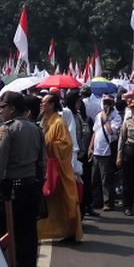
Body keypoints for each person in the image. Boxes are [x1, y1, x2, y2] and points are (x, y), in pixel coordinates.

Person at [0, 91, 45, 267]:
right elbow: (41, 163)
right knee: (27, 235)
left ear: (11, 109)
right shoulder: (35, 129)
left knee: (4, 236)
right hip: (30, 187)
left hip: (10, 189)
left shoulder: (8, 129)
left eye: (2, 107)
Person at [38, 92, 84, 243]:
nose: (41, 105)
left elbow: (66, 145)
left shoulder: (58, 122)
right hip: (48, 166)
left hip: (59, 167)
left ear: (51, 105)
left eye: (44, 103)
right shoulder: (45, 121)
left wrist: (48, 145)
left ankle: (70, 231)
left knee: (65, 199)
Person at [90, 96, 120, 211]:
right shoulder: (99, 115)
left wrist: (106, 119)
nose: (107, 105)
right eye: (105, 102)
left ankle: (108, 202)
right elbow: (95, 131)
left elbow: (112, 131)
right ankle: (96, 200)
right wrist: (90, 146)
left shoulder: (116, 117)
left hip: (106, 151)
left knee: (106, 179)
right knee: (95, 177)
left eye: (109, 103)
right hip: (97, 150)